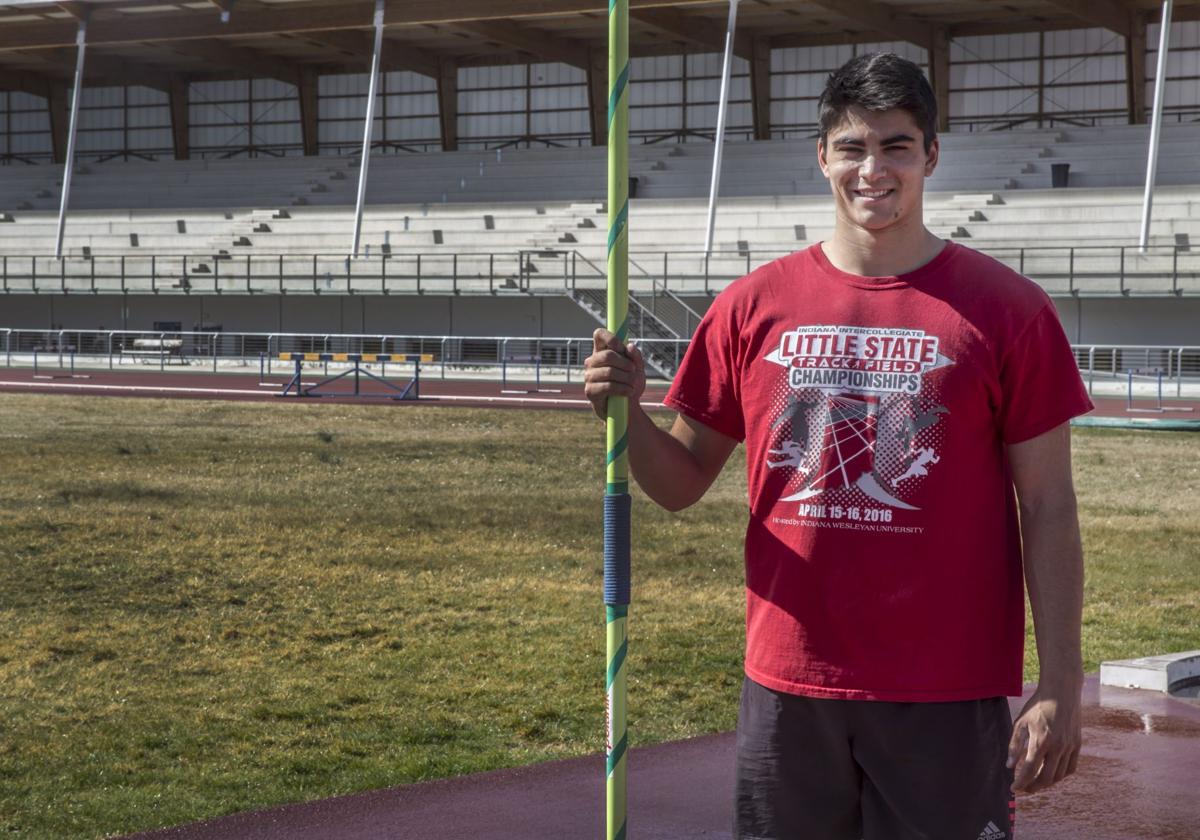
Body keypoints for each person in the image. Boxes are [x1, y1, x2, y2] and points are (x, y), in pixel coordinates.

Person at [583, 52, 1092, 840]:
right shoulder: (752, 307)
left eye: (895, 145)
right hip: (790, 685)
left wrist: (1061, 678)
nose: (872, 169)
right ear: (822, 156)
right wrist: (628, 414)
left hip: (944, 693)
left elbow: (1050, 505)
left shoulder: (1008, 312)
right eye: (853, 146)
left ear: (930, 155)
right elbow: (681, 480)